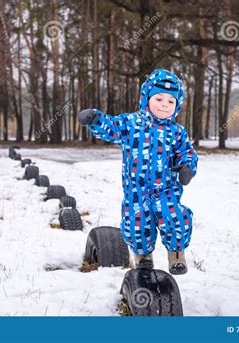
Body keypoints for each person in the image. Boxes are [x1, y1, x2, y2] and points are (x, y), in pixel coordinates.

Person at [77, 69, 198, 275]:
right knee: (137, 222)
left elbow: (186, 152)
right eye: (159, 98)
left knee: (174, 216)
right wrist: (96, 120)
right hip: (137, 190)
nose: (164, 105)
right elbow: (113, 127)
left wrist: (187, 167)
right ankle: (142, 256)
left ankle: (176, 253)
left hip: (166, 189)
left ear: (177, 106)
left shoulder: (177, 132)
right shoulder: (132, 123)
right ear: (146, 98)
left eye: (171, 102)